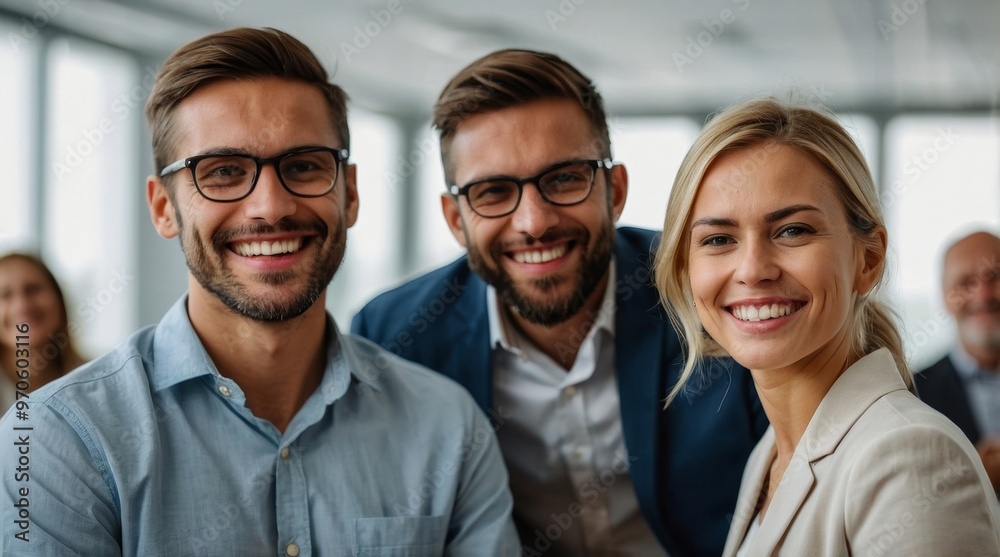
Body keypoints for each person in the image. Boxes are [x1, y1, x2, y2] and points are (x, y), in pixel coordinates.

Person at [0, 27, 518, 556]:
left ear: (351, 192)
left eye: (303, 166)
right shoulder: (58, 442)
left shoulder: (449, 429)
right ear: (163, 208)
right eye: (222, 172)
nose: (270, 206)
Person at [352, 48, 768, 557]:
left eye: (565, 178)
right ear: (456, 218)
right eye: (493, 191)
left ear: (614, 189)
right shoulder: (396, 336)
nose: (534, 221)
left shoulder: (707, 288)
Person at [654, 98, 1000, 556]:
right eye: (719, 239)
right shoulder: (770, 454)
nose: (753, 269)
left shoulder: (911, 456)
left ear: (868, 259)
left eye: (793, 230)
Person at [916, 230, 1000, 493]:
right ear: (944, 298)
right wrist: (972, 479)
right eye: (965, 283)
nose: (983, 296)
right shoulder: (913, 393)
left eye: (995, 277)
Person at [0, 253, 86, 413]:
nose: (22, 305)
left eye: (33, 289)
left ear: (58, 298)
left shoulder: (94, 379)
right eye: (5, 295)